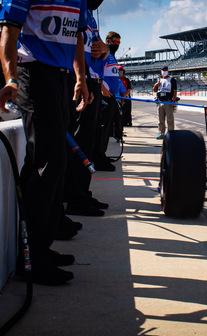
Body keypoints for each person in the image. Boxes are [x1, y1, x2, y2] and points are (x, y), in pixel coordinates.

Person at [0, 0, 92, 285]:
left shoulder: (79, 0)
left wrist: (81, 78)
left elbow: (76, 37)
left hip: (61, 77)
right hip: (33, 74)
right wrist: (12, 79)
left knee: (57, 163)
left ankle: (43, 247)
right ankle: (33, 258)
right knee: (45, 163)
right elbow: (8, 35)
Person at [64, 0, 111, 218]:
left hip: (90, 78)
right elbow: (76, 44)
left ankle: (82, 193)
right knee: (79, 142)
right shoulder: (77, 7)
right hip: (75, 78)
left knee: (88, 142)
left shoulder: (90, 14)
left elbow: (98, 51)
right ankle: (76, 198)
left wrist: (105, 49)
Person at [92, 31, 123, 171]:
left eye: (118, 43)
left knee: (107, 128)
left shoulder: (113, 57)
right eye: (114, 42)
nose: (116, 45)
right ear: (107, 40)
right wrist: (102, 86)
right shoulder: (103, 53)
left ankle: (101, 155)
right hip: (103, 96)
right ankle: (98, 158)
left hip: (112, 97)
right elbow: (94, 68)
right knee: (102, 128)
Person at [153, 66, 177, 139]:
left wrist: (173, 100)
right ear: (161, 71)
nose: (164, 71)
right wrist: (155, 85)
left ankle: (171, 134)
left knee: (170, 119)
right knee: (160, 119)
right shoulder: (159, 80)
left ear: (168, 71)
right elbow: (154, 90)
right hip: (160, 101)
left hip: (168, 101)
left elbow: (175, 91)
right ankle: (161, 133)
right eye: (163, 70)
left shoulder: (172, 80)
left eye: (165, 70)